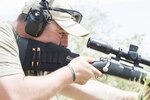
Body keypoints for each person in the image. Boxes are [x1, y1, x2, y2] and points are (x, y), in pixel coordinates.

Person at [0, 0, 138, 99]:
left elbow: (87, 90)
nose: (65, 43)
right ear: (35, 23)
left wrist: (136, 97)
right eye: (61, 33)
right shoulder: (2, 35)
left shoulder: (36, 55)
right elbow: (14, 94)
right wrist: (71, 72)